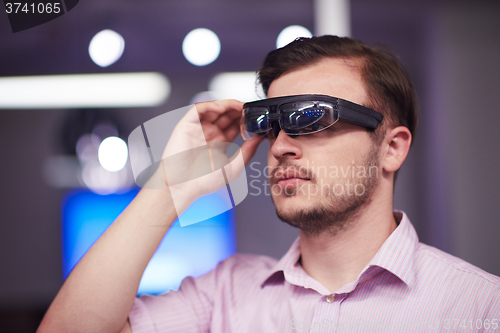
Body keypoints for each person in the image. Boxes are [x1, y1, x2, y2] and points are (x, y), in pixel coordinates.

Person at [38, 36, 500, 333]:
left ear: (392, 148)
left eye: (309, 117)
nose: (279, 146)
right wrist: (169, 186)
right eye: (270, 123)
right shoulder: (224, 296)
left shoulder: (479, 309)